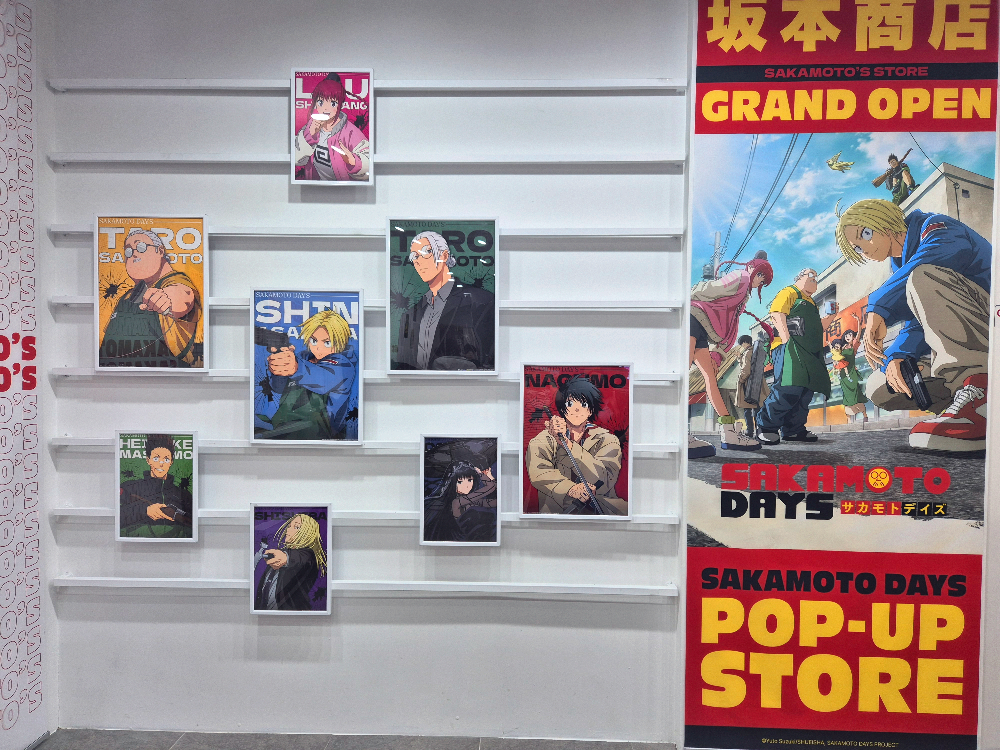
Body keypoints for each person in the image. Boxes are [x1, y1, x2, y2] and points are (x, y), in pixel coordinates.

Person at [835, 198, 990, 451]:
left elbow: (941, 254)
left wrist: (878, 306)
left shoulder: (935, 226)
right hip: (978, 340)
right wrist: (898, 355)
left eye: (866, 234)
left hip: (992, 324)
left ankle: (984, 402)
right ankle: (962, 407)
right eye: (858, 248)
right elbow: (918, 323)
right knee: (881, 384)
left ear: (885, 219)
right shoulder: (902, 265)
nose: (866, 249)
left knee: (921, 275)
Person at [688, 253, 773, 457]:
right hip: (692, 318)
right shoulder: (741, 276)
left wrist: (717, 352)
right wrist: (688, 295)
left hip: (701, 327)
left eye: (763, 280)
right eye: (760, 275)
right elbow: (712, 288)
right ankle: (677, 431)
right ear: (752, 268)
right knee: (683, 374)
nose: (760, 281)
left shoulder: (743, 295)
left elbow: (730, 328)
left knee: (710, 378)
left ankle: (728, 433)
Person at [99, 228, 203, 368]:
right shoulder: (127, 296)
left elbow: (183, 296)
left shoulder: (176, 281)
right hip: (115, 376)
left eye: (141, 247)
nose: (133, 253)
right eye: (128, 251)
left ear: (159, 251)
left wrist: (166, 299)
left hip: (164, 376)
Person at [393, 231, 495, 371]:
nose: (418, 260)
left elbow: (489, 361)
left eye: (426, 252)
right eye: (414, 256)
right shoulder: (411, 314)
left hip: (462, 383)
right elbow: (403, 365)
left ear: (445, 255)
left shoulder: (480, 301)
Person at [527, 376, 626, 515]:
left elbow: (605, 480)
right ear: (562, 408)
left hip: (600, 514)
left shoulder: (608, 439)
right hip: (557, 514)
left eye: (584, 404)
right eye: (570, 404)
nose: (577, 409)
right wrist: (571, 489)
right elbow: (539, 472)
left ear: (591, 410)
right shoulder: (544, 438)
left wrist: (568, 444)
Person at [256, 309, 359, 441]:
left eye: (327, 343)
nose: (318, 348)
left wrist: (296, 367)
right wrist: (279, 370)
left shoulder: (343, 365)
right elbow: (278, 389)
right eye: (314, 340)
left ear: (340, 342)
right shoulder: (302, 358)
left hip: (322, 434)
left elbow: (323, 379)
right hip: (285, 426)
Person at [756, 268, 831, 445]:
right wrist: (787, 340)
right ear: (799, 278)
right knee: (788, 387)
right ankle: (766, 427)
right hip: (788, 347)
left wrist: (830, 317)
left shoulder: (811, 303)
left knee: (805, 391)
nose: (814, 279)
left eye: (816, 278)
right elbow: (776, 314)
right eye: (810, 276)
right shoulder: (789, 292)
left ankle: (794, 430)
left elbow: (816, 327)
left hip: (808, 351)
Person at [294, 73, 370, 182]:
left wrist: (353, 161)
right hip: (313, 188)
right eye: (320, 102)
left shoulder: (350, 132)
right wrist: (308, 138)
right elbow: (296, 160)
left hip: (344, 190)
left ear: (340, 105)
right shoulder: (311, 126)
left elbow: (369, 163)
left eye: (333, 103)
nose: (326, 109)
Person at [119, 434, 193, 538]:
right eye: (156, 458)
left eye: (166, 459)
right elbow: (118, 516)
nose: (161, 463)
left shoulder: (184, 495)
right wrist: (145, 511)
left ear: (171, 462)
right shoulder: (130, 488)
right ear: (148, 460)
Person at [254, 513, 328, 611]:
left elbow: (299, 558)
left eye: (296, 527)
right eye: (289, 526)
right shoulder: (281, 552)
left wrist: (285, 558)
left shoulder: (309, 556)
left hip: (293, 614)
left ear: (307, 533)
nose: (288, 530)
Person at [423, 460, 497, 543]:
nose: (466, 486)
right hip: (459, 542)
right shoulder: (457, 502)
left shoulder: (471, 501)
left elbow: (495, 503)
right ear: (452, 482)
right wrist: (482, 474)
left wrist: (491, 478)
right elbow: (490, 487)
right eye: (460, 482)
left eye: (470, 480)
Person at [830, 314, 868, 422]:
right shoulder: (842, 347)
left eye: (850, 335)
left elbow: (859, 334)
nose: (848, 337)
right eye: (846, 335)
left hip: (851, 373)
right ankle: (849, 419)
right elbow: (837, 357)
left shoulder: (854, 346)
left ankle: (864, 414)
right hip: (843, 375)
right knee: (846, 396)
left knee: (856, 393)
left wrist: (858, 321)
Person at [734, 334, 769, 438]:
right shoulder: (757, 351)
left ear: (745, 342)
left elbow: (746, 370)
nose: (742, 346)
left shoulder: (747, 353)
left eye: (742, 344)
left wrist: (740, 380)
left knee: (747, 409)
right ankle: (759, 431)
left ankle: (749, 431)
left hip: (748, 385)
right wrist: (740, 358)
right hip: (758, 384)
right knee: (757, 409)